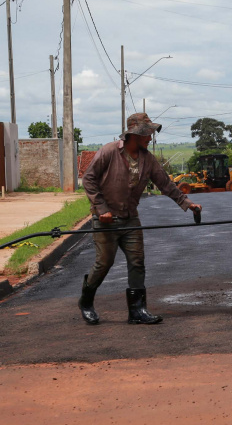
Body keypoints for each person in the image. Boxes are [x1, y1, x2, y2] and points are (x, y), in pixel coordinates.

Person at [79, 113, 202, 326]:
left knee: (137, 263)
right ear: (135, 133)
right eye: (148, 133)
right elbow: (88, 179)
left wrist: (187, 203)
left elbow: (165, 184)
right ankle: (86, 301)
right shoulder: (109, 152)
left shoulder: (148, 159)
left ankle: (137, 311)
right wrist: (101, 209)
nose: (151, 138)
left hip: (130, 220)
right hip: (105, 220)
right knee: (104, 263)